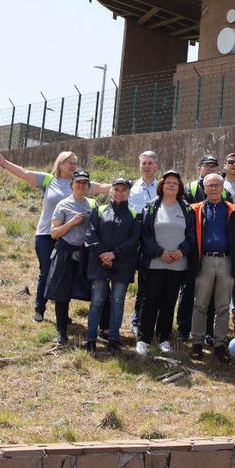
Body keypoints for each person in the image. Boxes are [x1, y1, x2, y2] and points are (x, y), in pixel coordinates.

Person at [0, 151, 109, 323]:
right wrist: (4, 162)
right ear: (60, 164)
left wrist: (130, 185)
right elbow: (24, 173)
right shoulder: (48, 180)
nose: (73, 166)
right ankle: (40, 309)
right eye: (70, 163)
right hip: (46, 234)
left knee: (65, 274)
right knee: (46, 271)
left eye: (75, 163)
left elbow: (102, 187)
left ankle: (62, 314)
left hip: (67, 238)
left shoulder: (79, 183)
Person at [136, 170, 197, 356]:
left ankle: (164, 338)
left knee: (169, 302)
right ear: (162, 185)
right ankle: (144, 339)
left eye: (175, 183)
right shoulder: (151, 207)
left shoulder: (186, 209)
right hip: (155, 263)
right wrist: (159, 252)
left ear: (180, 188)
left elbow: (192, 236)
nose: (171, 185)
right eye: (168, 182)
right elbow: (145, 235)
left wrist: (181, 251)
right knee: (150, 300)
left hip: (178, 264)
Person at [188, 173, 235, 363]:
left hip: (226, 262)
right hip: (204, 261)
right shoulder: (195, 209)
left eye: (216, 185)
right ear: (204, 189)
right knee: (200, 304)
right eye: (209, 185)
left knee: (222, 306)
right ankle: (197, 342)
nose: (213, 188)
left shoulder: (233, 210)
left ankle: (219, 344)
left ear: (222, 188)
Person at [85, 177, 142, 354]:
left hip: (122, 264)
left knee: (118, 302)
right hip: (99, 263)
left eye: (123, 190)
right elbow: (91, 234)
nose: (119, 193)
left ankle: (113, 339)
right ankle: (91, 339)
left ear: (128, 193)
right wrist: (103, 254)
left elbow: (134, 240)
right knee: (97, 302)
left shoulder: (134, 215)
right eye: (116, 189)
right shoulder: (99, 210)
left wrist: (114, 254)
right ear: (111, 191)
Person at [178, 155, 227, 341]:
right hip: (193, 251)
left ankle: (208, 332)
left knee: (212, 296)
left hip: (213, 256)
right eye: (206, 166)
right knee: (188, 291)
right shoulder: (190, 188)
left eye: (214, 166)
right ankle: (184, 330)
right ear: (199, 169)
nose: (210, 168)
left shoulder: (224, 192)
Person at [46, 169, 96, 345]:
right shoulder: (63, 205)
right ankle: (62, 332)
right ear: (71, 185)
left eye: (85, 183)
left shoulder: (91, 205)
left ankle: (95, 332)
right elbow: (53, 233)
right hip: (65, 253)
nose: (81, 185)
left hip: (83, 255)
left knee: (90, 291)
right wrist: (72, 222)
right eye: (78, 182)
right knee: (61, 293)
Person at [129, 151, 160, 336]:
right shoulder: (131, 187)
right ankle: (135, 320)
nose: (147, 166)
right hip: (135, 239)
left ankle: (148, 321)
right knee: (139, 284)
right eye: (144, 163)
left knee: (151, 284)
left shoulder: (162, 187)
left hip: (155, 239)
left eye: (150, 163)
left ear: (156, 165)